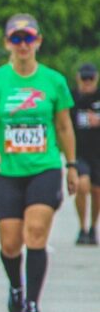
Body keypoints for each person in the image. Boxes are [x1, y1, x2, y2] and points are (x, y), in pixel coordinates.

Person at [0, 14, 76, 312]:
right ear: (7, 42)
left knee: (35, 234)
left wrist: (71, 165)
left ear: (38, 42)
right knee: (10, 243)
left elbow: (63, 126)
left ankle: (33, 303)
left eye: (28, 38)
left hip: (43, 167)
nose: (23, 45)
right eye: (16, 39)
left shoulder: (53, 81)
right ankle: (16, 287)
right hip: (7, 170)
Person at [70, 63, 100, 245]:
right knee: (82, 186)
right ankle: (82, 227)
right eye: (84, 78)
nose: (87, 82)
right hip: (79, 151)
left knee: (97, 191)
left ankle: (92, 227)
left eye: (90, 78)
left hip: (98, 153)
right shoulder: (72, 97)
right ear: (78, 78)